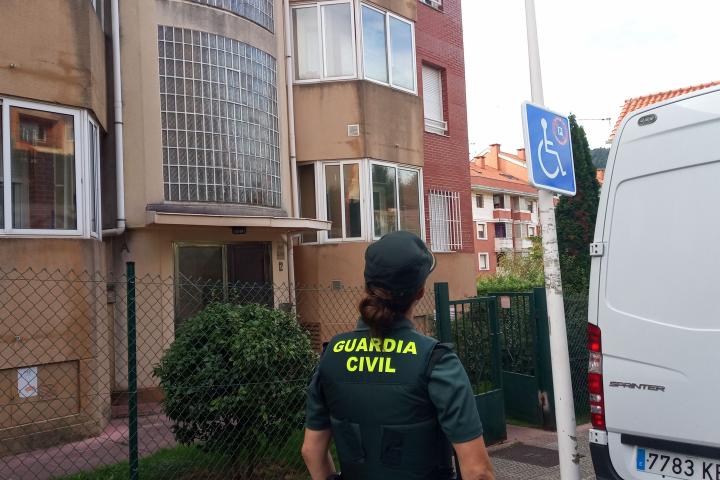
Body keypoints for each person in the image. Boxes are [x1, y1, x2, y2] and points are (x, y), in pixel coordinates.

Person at [301, 231, 495, 480]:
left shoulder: (332, 355)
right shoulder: (437, 362)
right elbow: (477, 471)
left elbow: (312, 451)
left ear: (368, 287)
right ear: (420, 292)